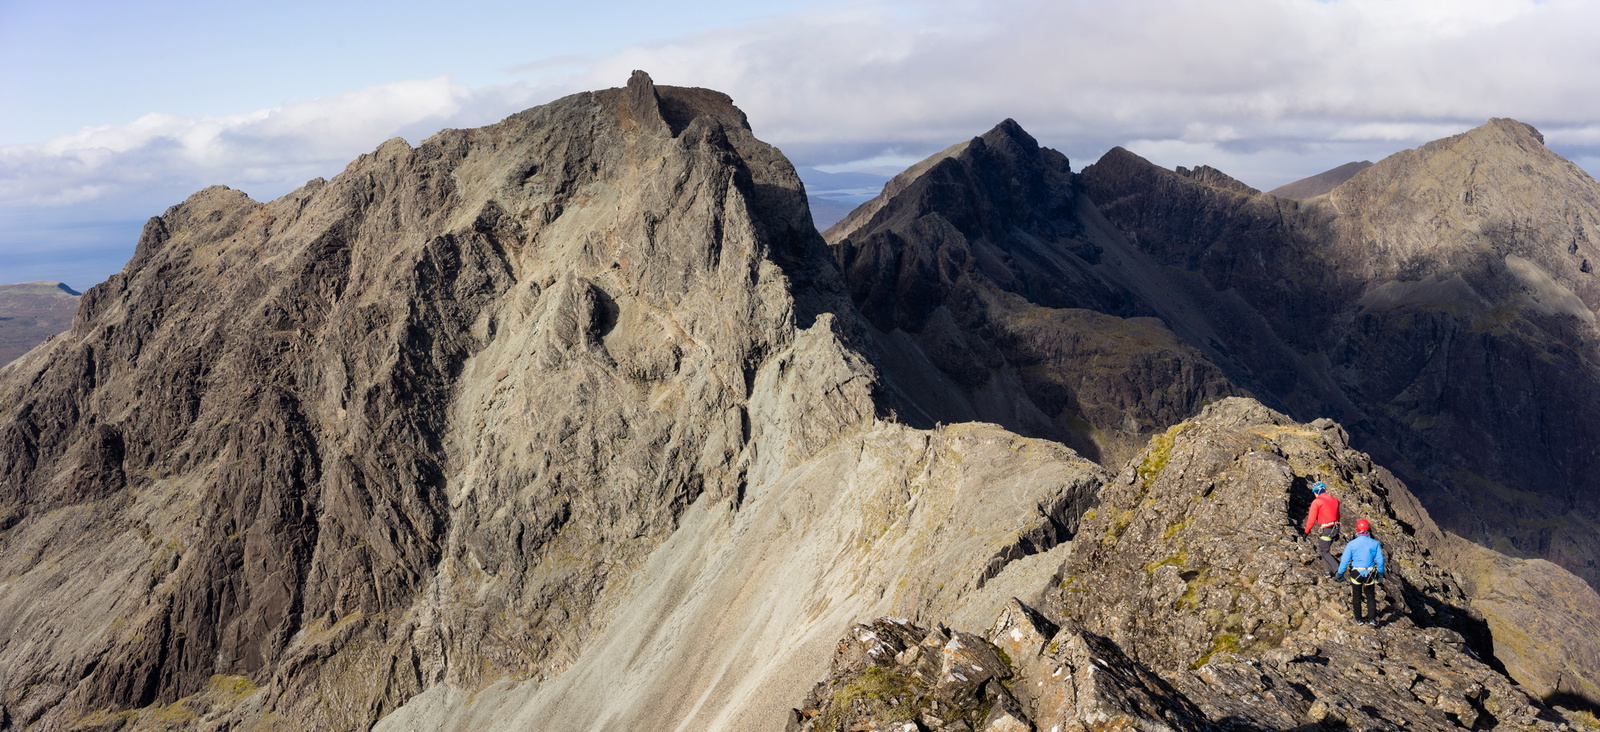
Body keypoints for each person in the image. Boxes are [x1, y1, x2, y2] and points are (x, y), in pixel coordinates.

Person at [1337, 518, 1386, 626]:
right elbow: (1380, 560)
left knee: (1356, 597)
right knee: (1370, 596)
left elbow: (1345, 560)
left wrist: (1340, 573)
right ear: (1368, 530)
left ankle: (1359, 619)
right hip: (1370, 574)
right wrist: (1380, 573)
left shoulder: (1351, 544)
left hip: (1356, 573)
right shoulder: (1375, 544)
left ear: (1357, 530)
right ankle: (1372, 619)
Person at [1303, 481, 1340, 576]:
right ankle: (1327, 571)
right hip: (1335, 527)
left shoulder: (1317, 502)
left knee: (1323, 551)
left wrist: (1306, 531)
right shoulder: (1335, 500)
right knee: (1324, 549)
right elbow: (1337, 515)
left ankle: (1338, 571)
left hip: (1327, 529)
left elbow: (1311, 519)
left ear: (1317, 491)